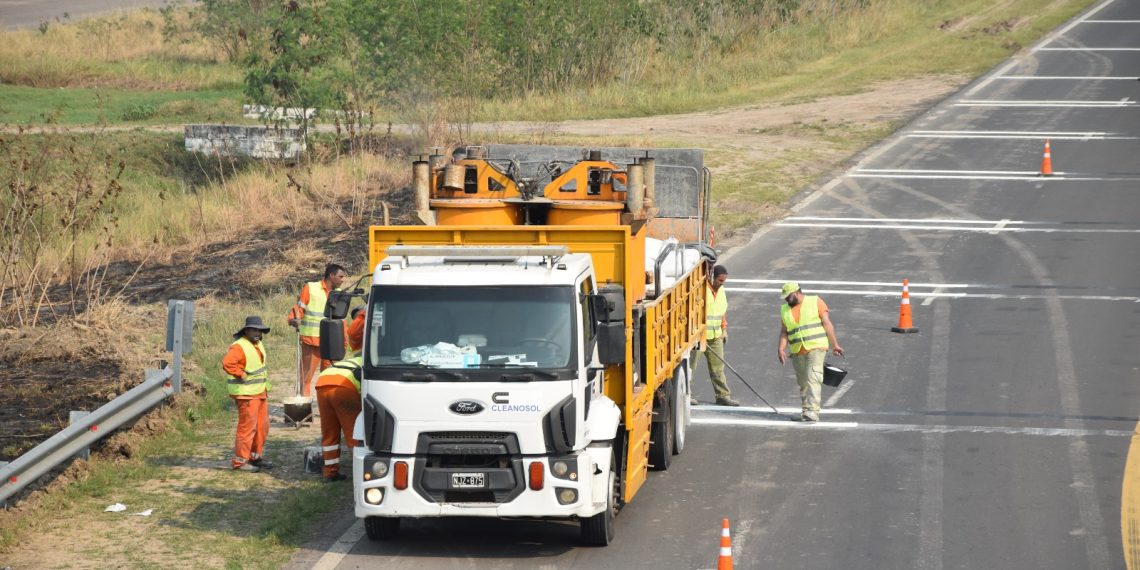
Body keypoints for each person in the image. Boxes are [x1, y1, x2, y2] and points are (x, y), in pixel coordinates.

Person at [777, 282, 844, 422]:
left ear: (796, 293)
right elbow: (784, 331)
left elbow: (827, 324)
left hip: (816, 346)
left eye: (788, 297)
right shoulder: (784, 309)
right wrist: (781, 348)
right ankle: (806, 411)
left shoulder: (816, 301)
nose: (786, 300)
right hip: (797, 350)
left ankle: (813, 411)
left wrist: (835, 345)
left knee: (813, 376)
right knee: (803, 382)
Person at [221, 315, 275, 472]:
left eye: (260, 330)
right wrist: (240, 374)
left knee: (262, 427)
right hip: (246, 394)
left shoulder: (258, 344)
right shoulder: (239, 346)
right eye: (254, 330)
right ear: (246, 330)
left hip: (259, 393)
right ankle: (240, 461)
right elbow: (227, 363)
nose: (258, 333)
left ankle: (255, 457)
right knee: (247, 429)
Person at [287, 263, 347, 398]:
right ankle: (302, 406)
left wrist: (344, 341)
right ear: (331, 276)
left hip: (331, 343)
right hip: (311, 340)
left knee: (328, 377)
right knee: (306, 376)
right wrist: (293, 320)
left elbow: (341, 320)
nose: (343, 280)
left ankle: (325, 406)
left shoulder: (339, 294)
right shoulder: (311, 288)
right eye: (340, 276)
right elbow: (299, 309)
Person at [315, 352, 363, 482]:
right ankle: (360, 473)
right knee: (353, 434)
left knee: (330, 432)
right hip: (343, 386)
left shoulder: (352, 361)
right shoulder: (371, 362)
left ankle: (330, 472)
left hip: (322, 382)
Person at [698, 264, 739, 407]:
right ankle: (686, 395)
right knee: (690, 366)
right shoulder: (701, 289)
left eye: (724, 281)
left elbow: (722, 310)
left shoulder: (721, 290)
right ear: (711, 277)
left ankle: (723, 396)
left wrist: (724, 328)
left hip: (716, 335)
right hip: (699, 335)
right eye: (720, 281)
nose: (722, 284)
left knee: (718, 367)